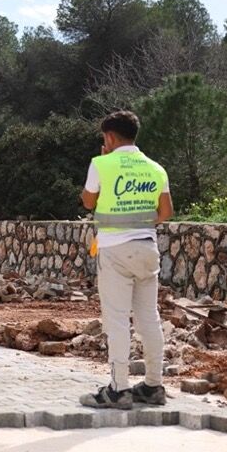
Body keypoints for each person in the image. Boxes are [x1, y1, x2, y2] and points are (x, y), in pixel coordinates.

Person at [79, 110, 173, 410]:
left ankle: (118, 390)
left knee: (117, 320)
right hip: (147, 248)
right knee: (149, 319)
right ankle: (154, 386)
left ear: (109, 137)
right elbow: (166, 212)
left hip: (115, 250)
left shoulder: (101, 164)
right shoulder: (156, 168)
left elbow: (88, 201)